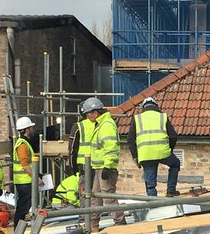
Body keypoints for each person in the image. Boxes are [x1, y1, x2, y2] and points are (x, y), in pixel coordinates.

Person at [82, 97, 126, 226]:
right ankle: (93, 224)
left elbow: (111, 147)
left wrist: (107, 166)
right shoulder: (101, 124)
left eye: (88, 114)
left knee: (108, 197)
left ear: (95, 112)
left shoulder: (106, 125)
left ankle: (119, 222)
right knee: (95, 197)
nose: (87, 117)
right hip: (99, 167)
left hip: (105, 167)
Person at [127, 96, 180, 197]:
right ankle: (171, 190)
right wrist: (169, 150)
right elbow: (173, 136)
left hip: (146, 155)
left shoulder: (137, 118)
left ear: (143, 107)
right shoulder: (162, 116)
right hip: (163, 152)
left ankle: (153, 204)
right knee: (175, 164)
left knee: (150, 184)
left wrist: (135, 157)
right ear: (156, 106)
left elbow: (130, 140)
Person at [12, 116, 39, 225]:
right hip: (24, 181)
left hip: (25, 180)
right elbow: (25, 166)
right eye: (31, 128)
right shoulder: (22, 145)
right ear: (27, 129)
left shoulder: (23, 143)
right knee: (23, 208)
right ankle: (17, 230)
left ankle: (18, 229)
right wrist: (36, 179)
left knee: (24, 206)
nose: (33, 130)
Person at [69, 99, 98, 193]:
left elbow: (72, 149)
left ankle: (85, 208)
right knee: (98, 194)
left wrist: (73, 167)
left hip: (83, 166)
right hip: (99, 164)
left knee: (85, 194)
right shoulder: (102, 124)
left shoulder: (78, 126)